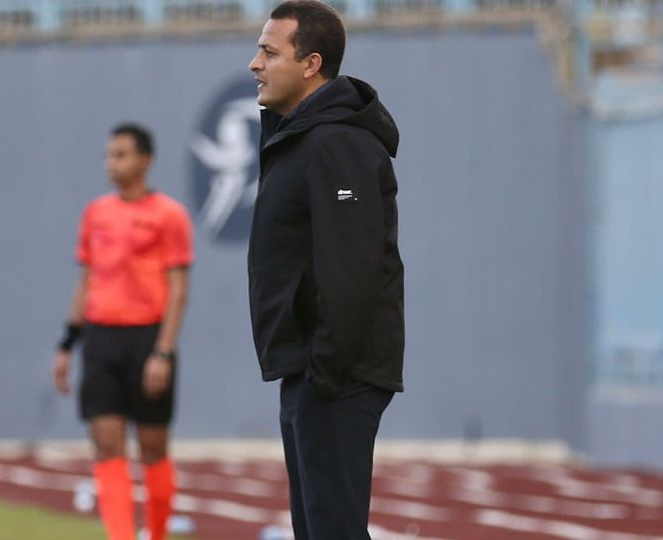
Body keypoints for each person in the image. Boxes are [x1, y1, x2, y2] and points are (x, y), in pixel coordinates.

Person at [246, 2, 404, 538]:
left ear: (311, 64)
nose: (255, 64)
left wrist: (325, 370)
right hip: (311, 369)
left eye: (269, 52)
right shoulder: (302, 138)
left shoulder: (339, 144)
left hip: (335, 375)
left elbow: (351, 266)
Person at [52, 124, 192, 540]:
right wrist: (67, 344)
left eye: (121, 155)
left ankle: (158, 533)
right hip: (100, 340)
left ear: (145, 160)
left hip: (147, 340)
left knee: (153, 449)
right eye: (108, 155)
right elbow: (86, 280)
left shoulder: (169, 215)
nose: (111, 163)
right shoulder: (95, 213)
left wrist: (163, 351)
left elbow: (178, 289)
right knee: (106, 446)